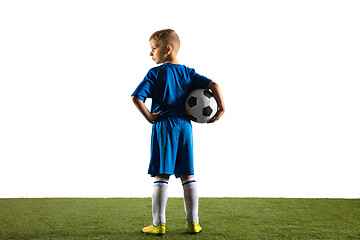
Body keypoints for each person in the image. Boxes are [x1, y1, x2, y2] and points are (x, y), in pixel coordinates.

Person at [131, 29, 225, 236]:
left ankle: (159, 224)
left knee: (161, 174)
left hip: (164, 125)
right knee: (187, 174)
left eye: (153, 49)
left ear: (168, 49)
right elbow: (214, 84)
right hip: (185, 127)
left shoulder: (155, 73)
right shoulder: (188, 73)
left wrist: (149, 117)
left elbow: (137, 97)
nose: (151, 53)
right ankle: (193, 223)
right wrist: (222, 107)